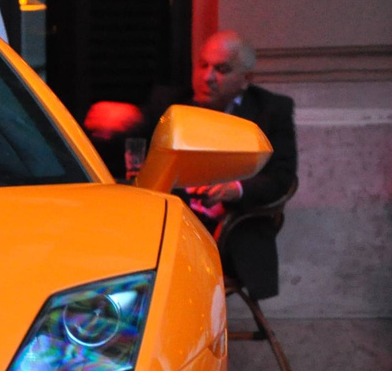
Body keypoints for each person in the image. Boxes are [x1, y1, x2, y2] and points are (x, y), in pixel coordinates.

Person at [84, 31, 297, 300]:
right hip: (169, 221)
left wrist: (235, 188)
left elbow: (282, 178)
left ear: (246, 79)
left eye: (221, 69)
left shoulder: (271, 110)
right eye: (203, 65)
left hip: (228, 230)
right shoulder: (171, 101)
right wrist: (128, 119)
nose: (207, 78)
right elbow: (145, 127)